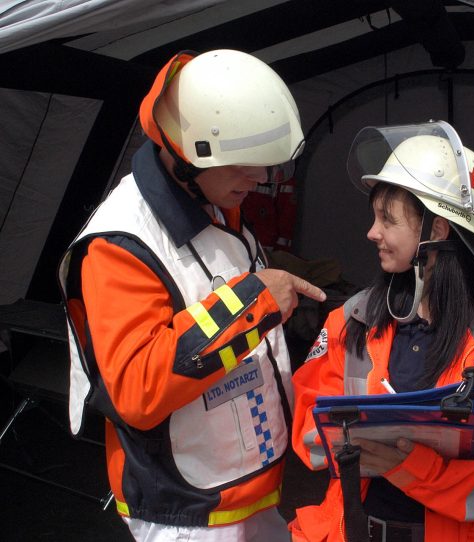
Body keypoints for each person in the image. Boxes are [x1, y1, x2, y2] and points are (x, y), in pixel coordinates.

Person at [57, 49, 326, 541]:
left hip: (248, 488)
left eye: (265, 164)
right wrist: (255, 303)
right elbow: (137, 388)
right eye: (244, 164)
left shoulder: (217, 200)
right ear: (185, 155)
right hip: (188, 512)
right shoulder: (120, 245)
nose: (260, 179)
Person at [288, 121, 474, 541]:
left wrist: (408, 465)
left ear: (437, 230)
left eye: (388, 219)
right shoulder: (352, 321)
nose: (371, 233)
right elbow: (308, 428)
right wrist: (355, 448)